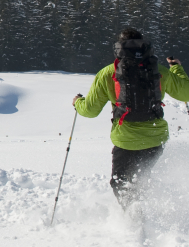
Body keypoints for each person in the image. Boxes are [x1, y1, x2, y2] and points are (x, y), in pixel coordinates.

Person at [73, 28, 189, 209]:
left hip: (125, 141)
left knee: (120, 184)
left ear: (118, 48)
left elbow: (90, 110)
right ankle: (146, 211)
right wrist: (177, 68)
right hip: (156, 138)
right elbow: (185, 92)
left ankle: (134, 218)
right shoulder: (158, 71)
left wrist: (78, 102)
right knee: (141, 179)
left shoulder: (107, 73)